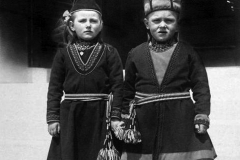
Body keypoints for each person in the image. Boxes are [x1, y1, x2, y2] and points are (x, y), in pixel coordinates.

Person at [121, 0, 217, 159]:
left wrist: (201, 114)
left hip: (180, 120)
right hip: (145, 121)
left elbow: (201, 87)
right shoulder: (135, 54)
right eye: (156, 20)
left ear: (177, 25)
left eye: (169, 20)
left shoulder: (188, 52)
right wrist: (125, 117)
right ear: (146, 23)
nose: (163, 25)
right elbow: (128, 90)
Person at [46, 0, 123, 159]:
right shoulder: (63, 54)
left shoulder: (109, 52)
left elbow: (118, 87)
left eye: (93, 21)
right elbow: (54, 89)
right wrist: (52, 118)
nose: (88, 25)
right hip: (70, 116)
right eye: (82, 20)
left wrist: (116, 117)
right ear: (72, 25)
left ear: (101, 25)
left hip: (100, 115)